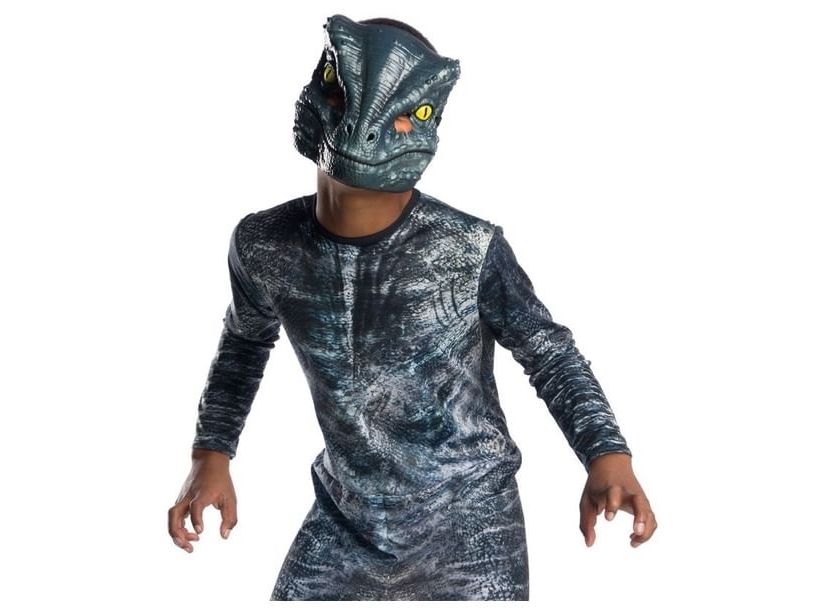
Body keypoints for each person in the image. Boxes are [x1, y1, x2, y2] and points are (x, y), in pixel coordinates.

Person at [167, 14, 657, 601]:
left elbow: (549, 353)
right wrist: (211, 454)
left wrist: (606, 454)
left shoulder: (470, 248)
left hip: (472, 524)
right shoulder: (263, 245)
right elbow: (244, 345)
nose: (374, 130)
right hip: (345, 517)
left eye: (410, 113)